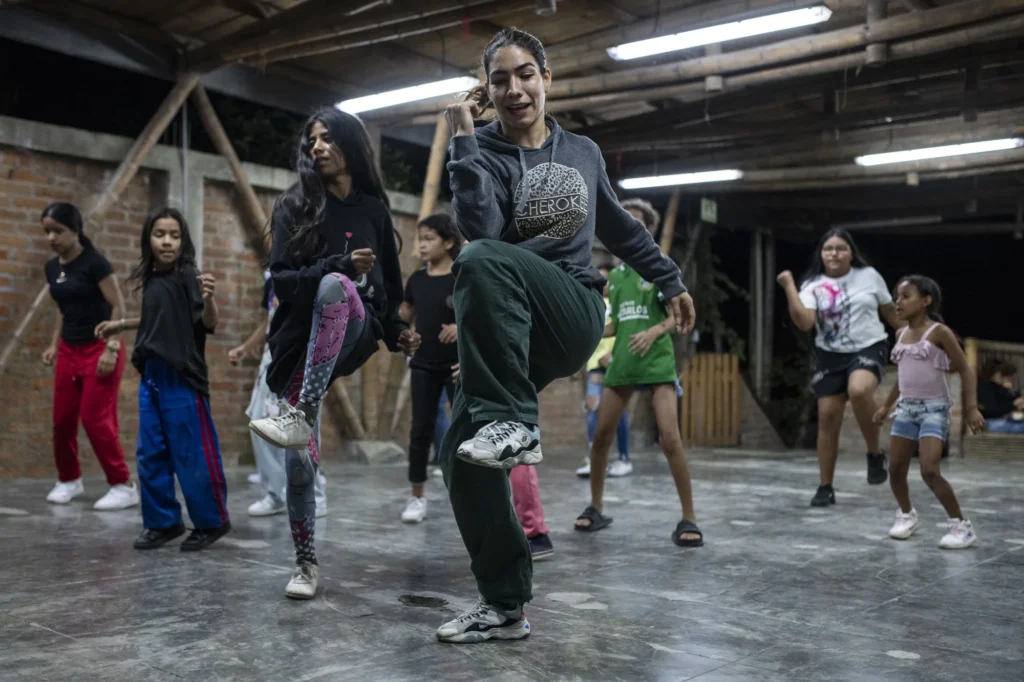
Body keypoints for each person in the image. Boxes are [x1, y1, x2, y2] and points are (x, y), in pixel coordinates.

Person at [435, 28, 694, 643]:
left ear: (546, 78)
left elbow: (619, 228)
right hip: (512, 323)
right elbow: (480, 229)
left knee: (480, 261)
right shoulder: (481, 149)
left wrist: (668, 278)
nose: (515, 89)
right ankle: (504, 605)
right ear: (486, 91)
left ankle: (515, 422)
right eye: (500, 80)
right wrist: (463, 138)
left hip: (573, 307)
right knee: (460, 455)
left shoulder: (582, 151)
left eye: (526, 74)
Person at [248, 107, 420, 600]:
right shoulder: (295, 206)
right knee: (299, 467)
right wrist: (338, 261)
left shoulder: (373, 210)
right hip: (297, 350)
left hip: (354, 333)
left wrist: (398, 332)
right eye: (311, 141)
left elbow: (389, 289)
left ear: (350, 143)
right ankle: (305, 565)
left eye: (327, 138)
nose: (317, 147)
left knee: (337, 286)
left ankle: (300, 414)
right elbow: (282, 281)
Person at [97, 208, 230, 551]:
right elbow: (157, 318)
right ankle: (163, 522)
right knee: (150, 453)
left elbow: (209, 323)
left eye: (174, 235)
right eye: (160, 235)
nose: (167, 241)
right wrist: (120, 324)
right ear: (149, 240)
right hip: (152, 375)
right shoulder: (153, 278)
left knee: (191, 452)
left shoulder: (189, 275)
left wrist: (209, 298)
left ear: (183, 241)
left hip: (181, 377)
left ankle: (211, 521)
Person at [574, 198, 701, 547]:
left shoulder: (660, 269)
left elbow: (676, 316)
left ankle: (689, 516)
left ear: (650, 230)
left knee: (670, 439)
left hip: (657, 361)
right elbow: (618, 323)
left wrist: (653, 332)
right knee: (602, 437)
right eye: (624, 221)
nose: (629, 227)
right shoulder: (615, 277)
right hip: (624, 361)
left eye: (637, 223)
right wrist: (586, 334)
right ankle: (596, 506)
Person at [777, 228, 900, 507]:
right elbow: (805, 322)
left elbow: (890, 313)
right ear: (821, 255)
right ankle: (825, 486)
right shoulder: (813, 285)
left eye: (841, 248)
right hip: (829, 355)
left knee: (859, 390)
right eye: (828, 249)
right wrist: (789, 287)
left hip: (869, 345)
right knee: (828, 417)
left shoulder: (869, 276)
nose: (834, 253)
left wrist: (919, 336)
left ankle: (874, 453)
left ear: (851, 253)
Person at [873, 276, 984, 549]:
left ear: (925, 301)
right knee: (895, 469)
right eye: (897, 297)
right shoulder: (900, 334)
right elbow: (903, 377)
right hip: (906, 409)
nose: (898, 302)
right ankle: (907, 514)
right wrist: (886, 405)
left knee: (929, 470)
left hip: (934, 409)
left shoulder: (939, 332)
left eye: (906, 296)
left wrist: (971, 408)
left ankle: (961, 525)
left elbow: (966, 369)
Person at [40, 202, 138, 510]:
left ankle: (123, 485)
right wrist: (54, 345)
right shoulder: (52, 268)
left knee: (95, 419)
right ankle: (69, 479)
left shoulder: (95, 263)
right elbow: (64, 310)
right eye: (47, 231)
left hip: (100, 348)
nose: (51, 238)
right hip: (69, 350)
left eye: (58, 231)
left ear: (75, 230)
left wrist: (112, 346)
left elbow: (118, 305)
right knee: (62, 420)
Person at [229, 270, 327, 518]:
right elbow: (270, 321)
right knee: (260, 422)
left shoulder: (311, 272)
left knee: (302, 426)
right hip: (272, 359)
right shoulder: (272, 278)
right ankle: (275, 494)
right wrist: (245, 348)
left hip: (301, 358)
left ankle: (314, 495)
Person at [399, 213, 462, 523]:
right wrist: (403, 334)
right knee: (420, 430)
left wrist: (461, 328)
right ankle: (416, 496)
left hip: (458, 367)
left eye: (429, 239)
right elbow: (404, 316)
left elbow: (482, 314)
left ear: (448, 242)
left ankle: (468, 494)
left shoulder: (462, 277)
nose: (422, 245)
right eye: (420, 239)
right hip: (423, 365)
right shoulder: (417, 280)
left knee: (466, 430)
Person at [575, 262, 632, 479]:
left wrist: (615, 356)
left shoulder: (619, 302)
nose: (602, 282)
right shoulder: (591, 302)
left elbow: (624, 330)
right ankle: (596, 459)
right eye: (599, 277)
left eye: (606, 278)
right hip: (595, 367)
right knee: (593, 409)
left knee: (619, 413)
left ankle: (624, 459)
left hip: (616, 363)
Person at [977, 359, 1024, 433]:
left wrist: (1011, 393)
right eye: (1003, 374)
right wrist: (1013, 404)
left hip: (1002, 421)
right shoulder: (985, 388)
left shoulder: (1000, 388)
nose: (1007, 378)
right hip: (990, 422)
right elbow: (992, 410)